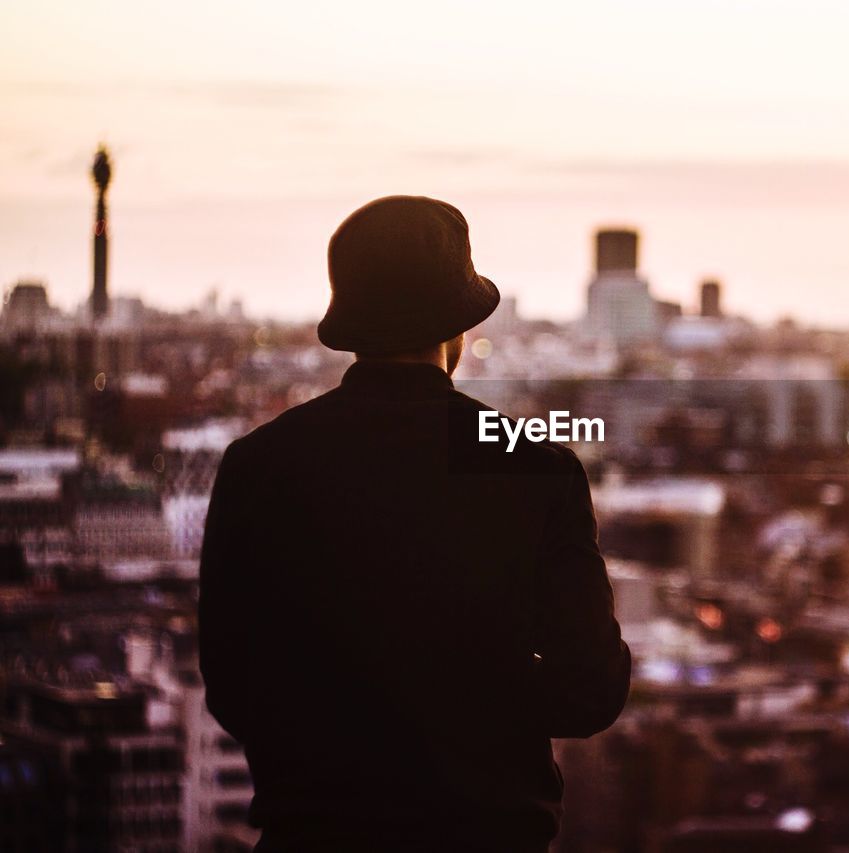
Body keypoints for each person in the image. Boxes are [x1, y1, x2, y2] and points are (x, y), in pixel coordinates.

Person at [198, 195, 632, 852]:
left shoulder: (260, 465)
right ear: (456, 330)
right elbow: (592, 690)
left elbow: (231, 685)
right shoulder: (537, 470)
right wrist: (468, 690)